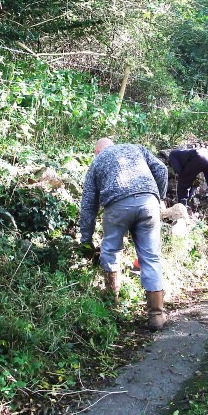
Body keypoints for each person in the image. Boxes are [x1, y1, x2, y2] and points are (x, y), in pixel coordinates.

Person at [79, 138, 169, 331]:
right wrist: (158, 196)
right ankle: (156, 316)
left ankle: (113, 309)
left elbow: (88, 205)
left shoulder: (97, 161)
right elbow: (162, 169)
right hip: (149, 203)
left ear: (96, 151)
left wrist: (86, 240)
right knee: (151, 257)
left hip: (117, 206)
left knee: (111, 252)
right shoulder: (136, 148)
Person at [168, 147, 208, 230]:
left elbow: (181, 174)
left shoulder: (172, 155)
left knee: (183, 182)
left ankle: (182, 209)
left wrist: (185, 194)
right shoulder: (183, 153)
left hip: (199, 157)